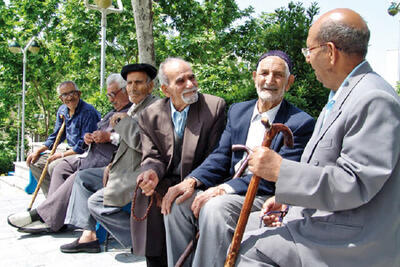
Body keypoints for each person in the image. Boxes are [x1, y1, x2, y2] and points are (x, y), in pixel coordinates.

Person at [237, 9, 400, 267]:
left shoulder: (373, 98)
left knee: (251, 249)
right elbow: (324, 168)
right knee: (239, 228)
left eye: (309, 51)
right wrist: (287, 200)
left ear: (331, 52)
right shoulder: (341, 96)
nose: (308, 60)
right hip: (328, 218)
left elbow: (354, 183)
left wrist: (281, 170)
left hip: (352, 236)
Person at [162, 51, 315, 267]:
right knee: (178, 202)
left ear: (289, 83)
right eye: (264, 73)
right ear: (254, 77)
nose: (269, 80)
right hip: (231, 190)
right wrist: (192, 181)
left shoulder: (300, 123)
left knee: (215, 208)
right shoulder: (238, 111)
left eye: (278, 75)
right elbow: (220, 156)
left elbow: (275, 179)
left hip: (264, 195)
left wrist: (224, 189)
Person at [7, 74, 131, 233]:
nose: (110, 99)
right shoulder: (107, 112)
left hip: (105, 162)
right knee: (60, 168)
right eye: (109, 95)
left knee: (75, 175)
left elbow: (131, 139)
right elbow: (59, 134)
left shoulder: (127, 112)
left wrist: (108, 137)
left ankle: (44, 216)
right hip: (89, 155)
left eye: (113, 95)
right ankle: (54, 216)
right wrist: (90, 138)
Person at [135, 57, 226, 267]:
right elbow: (152, 155)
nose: (191, 84)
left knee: (177, 202)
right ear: (166, 90)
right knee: (147, 197)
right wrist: (151, 173)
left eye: (192, 77)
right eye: (181, 81)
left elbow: (216, 156)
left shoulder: (214, 107)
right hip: (165, 180)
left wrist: (191, 183)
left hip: (199, 181)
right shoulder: (150, 114)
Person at [59, 63, 158, 253]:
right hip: (118, 168)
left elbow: (141, 143)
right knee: (82, 177)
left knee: (95, 202)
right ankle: (88, 235)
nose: (133, 87)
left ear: (151, 86)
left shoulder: (154, 107)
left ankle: (141, 238)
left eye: (138, 82)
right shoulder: (135, 107)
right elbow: (124, 142)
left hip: (138, 172)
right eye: (130, 83)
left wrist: (122, 122)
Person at [27, 81, 101, 196]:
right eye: (65, 95)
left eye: (72, 93)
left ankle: (58, 202)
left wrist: (61, 155)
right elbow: (56, 136)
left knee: (54, 166)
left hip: (85, 153)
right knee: (35, 163)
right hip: (70, 151)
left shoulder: (88, 112)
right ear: (61, 98)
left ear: (79, 93)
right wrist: (38, 151)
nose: (70, 97)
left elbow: (83, 145)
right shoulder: (62, 111)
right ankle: (51, 199)